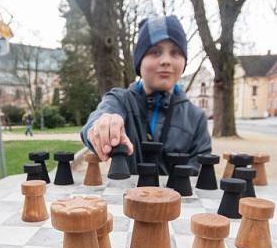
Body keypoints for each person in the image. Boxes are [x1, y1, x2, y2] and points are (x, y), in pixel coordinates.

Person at [80, 15, 211, 175]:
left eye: (175, 52)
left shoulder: (195, 117)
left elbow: (200, 173)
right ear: (139, 61)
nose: (166, 61)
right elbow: (96, 122)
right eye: (155, 52)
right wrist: (103, 126)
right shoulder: (120, 100)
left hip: (176, 199)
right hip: (127, 198)